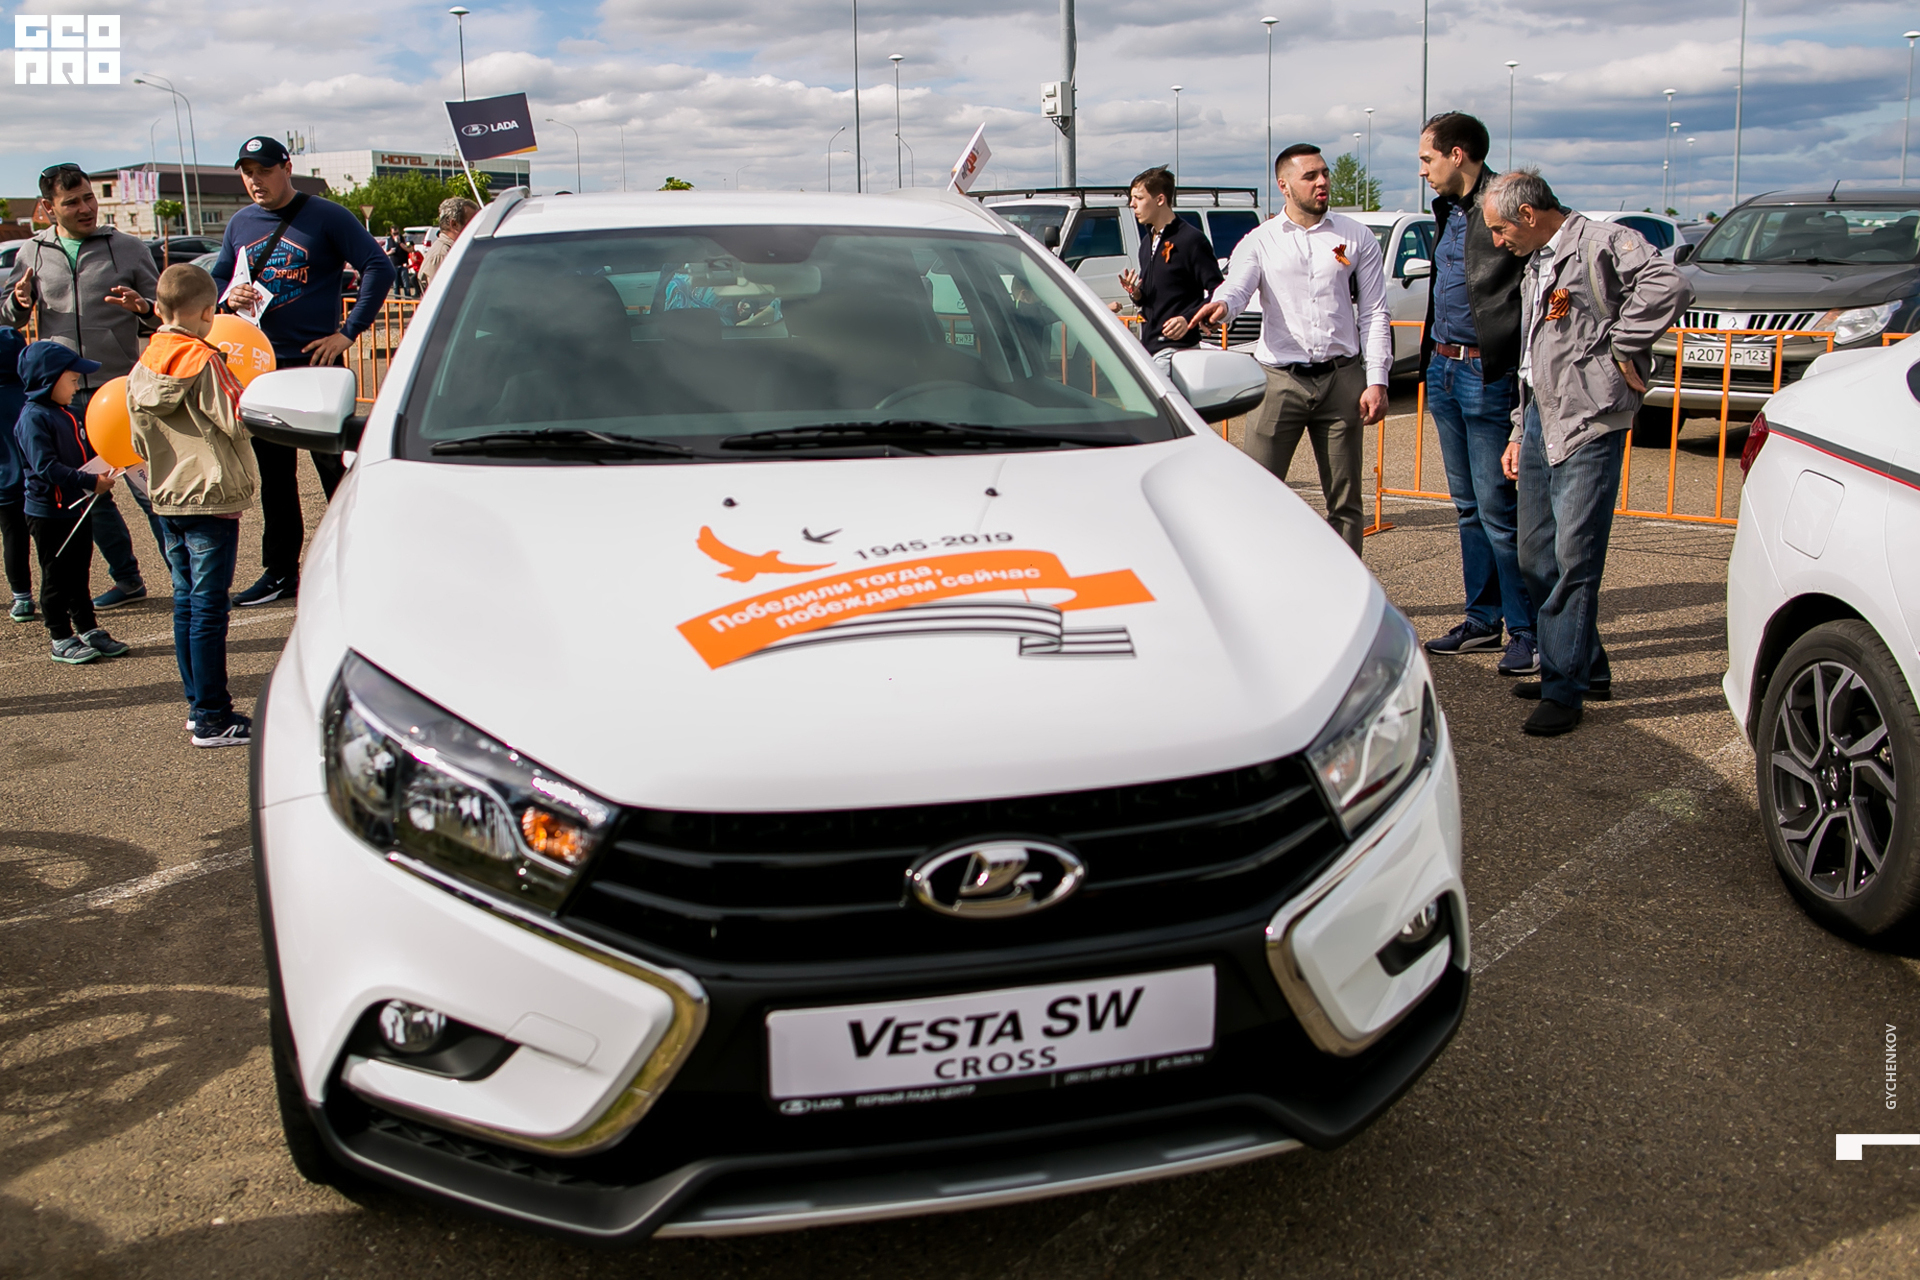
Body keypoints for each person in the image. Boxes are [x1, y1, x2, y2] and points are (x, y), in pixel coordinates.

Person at [1485, 169, 1691, 736]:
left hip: (1589, 419)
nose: (1498, 241)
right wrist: (1517, 429)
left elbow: (1669, 285)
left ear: (1528, 215)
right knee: (1535, 557)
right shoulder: (1536, 262)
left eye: (1501, 229)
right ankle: (1585, 667)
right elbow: (1532, 355)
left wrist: (1622, 344)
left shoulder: (1602, 241)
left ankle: (1564, 687)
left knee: (1574, 558)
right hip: (1540, 419)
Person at [211, 135, 395, 607]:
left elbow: (378, 267)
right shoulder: (240, 223)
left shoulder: (326, 215)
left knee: (337, 471)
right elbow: (219, 277)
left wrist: (348, 333)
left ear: (286, 167)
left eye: (264, 170)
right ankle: (280, 574)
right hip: (262, 369)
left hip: (317, 364)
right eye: (247, 172)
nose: (255, 180)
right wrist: (227, 297)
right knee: (276, 480)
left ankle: (362, 563)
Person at [1194, 144, 1390, 555]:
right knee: (1257, 496)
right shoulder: (1260, 240)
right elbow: (1238, 286)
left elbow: (1374, 311)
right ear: (1284, 186)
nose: (1322, 182)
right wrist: (1222, 306)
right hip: (1280, 382)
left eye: (1324, 173)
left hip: (1342, 380)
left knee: (1346, 503)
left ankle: (1343, 585)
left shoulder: (1355, 236)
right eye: (1310, 176)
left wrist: (1377, 380)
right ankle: (1258, 580)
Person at [3, 162, 164, 610]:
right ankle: (127, 579)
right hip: (65, 400)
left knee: (150, 490)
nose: (85, 208)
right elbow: (11, 313)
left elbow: (162, 313)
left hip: (118, 392)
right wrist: (18, 302)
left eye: (89, 198)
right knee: (91, 494)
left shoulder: (128, 248)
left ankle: (184, 576)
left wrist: (144, 308)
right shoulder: (32, 252)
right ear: (48, 207)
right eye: (71, 201)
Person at [1417, 112, 1538, 677]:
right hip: (1443, 369)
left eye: (1428, 159)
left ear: (1457, 155)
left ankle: (1526, 632)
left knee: (1498, 511)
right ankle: (1483, 620)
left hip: (1486, 375)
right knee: (1468, 509)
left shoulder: (1506, 204)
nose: (1424, 171)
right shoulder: (1447, 210)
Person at [127, 264, 259, 748]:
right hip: (211, 495)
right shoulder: (204, 359)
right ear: (208, 313)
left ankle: (196, 704)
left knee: (185, 603)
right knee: (208, 609)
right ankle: (212, 716)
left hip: (167, 495)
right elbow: (239, 419)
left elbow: (137, 437)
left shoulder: (144, 361)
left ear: (160, 308)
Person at [13, 341, 133, 664]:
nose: (78, 386)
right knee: (56, 577)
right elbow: (46, 467)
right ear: (49, 380)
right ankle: (60, 636)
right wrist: (90, 482)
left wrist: (105, 467)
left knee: (80, 573)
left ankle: (88, 627)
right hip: (49, 514)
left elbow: (84, 453)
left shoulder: (69, 412)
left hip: (78, 508)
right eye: (72, 380)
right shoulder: (33, 418)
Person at [1118, 167, 1222, 373]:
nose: (1132, 204)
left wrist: (1188, 319)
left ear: (1160, 199)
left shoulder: (1191, 240)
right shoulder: (1147, 243)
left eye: (1139, 198)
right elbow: (1156, 298)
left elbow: (1219, 291)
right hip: (1148, 348)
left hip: (1177, 351)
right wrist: (1136, 293)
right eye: (1132, 198)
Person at [0, 326, 31, 622]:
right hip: (36, 483)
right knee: (49, 543)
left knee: (13, 538)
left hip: (4, 485)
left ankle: (22, 597)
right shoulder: (30, 396)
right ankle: (62, 593)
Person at [417, 196, 479, 293]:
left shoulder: (455, 250)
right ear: (454, 224)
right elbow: (443, 296)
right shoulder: (441, 255)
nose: (477, 227)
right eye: (472, 223)